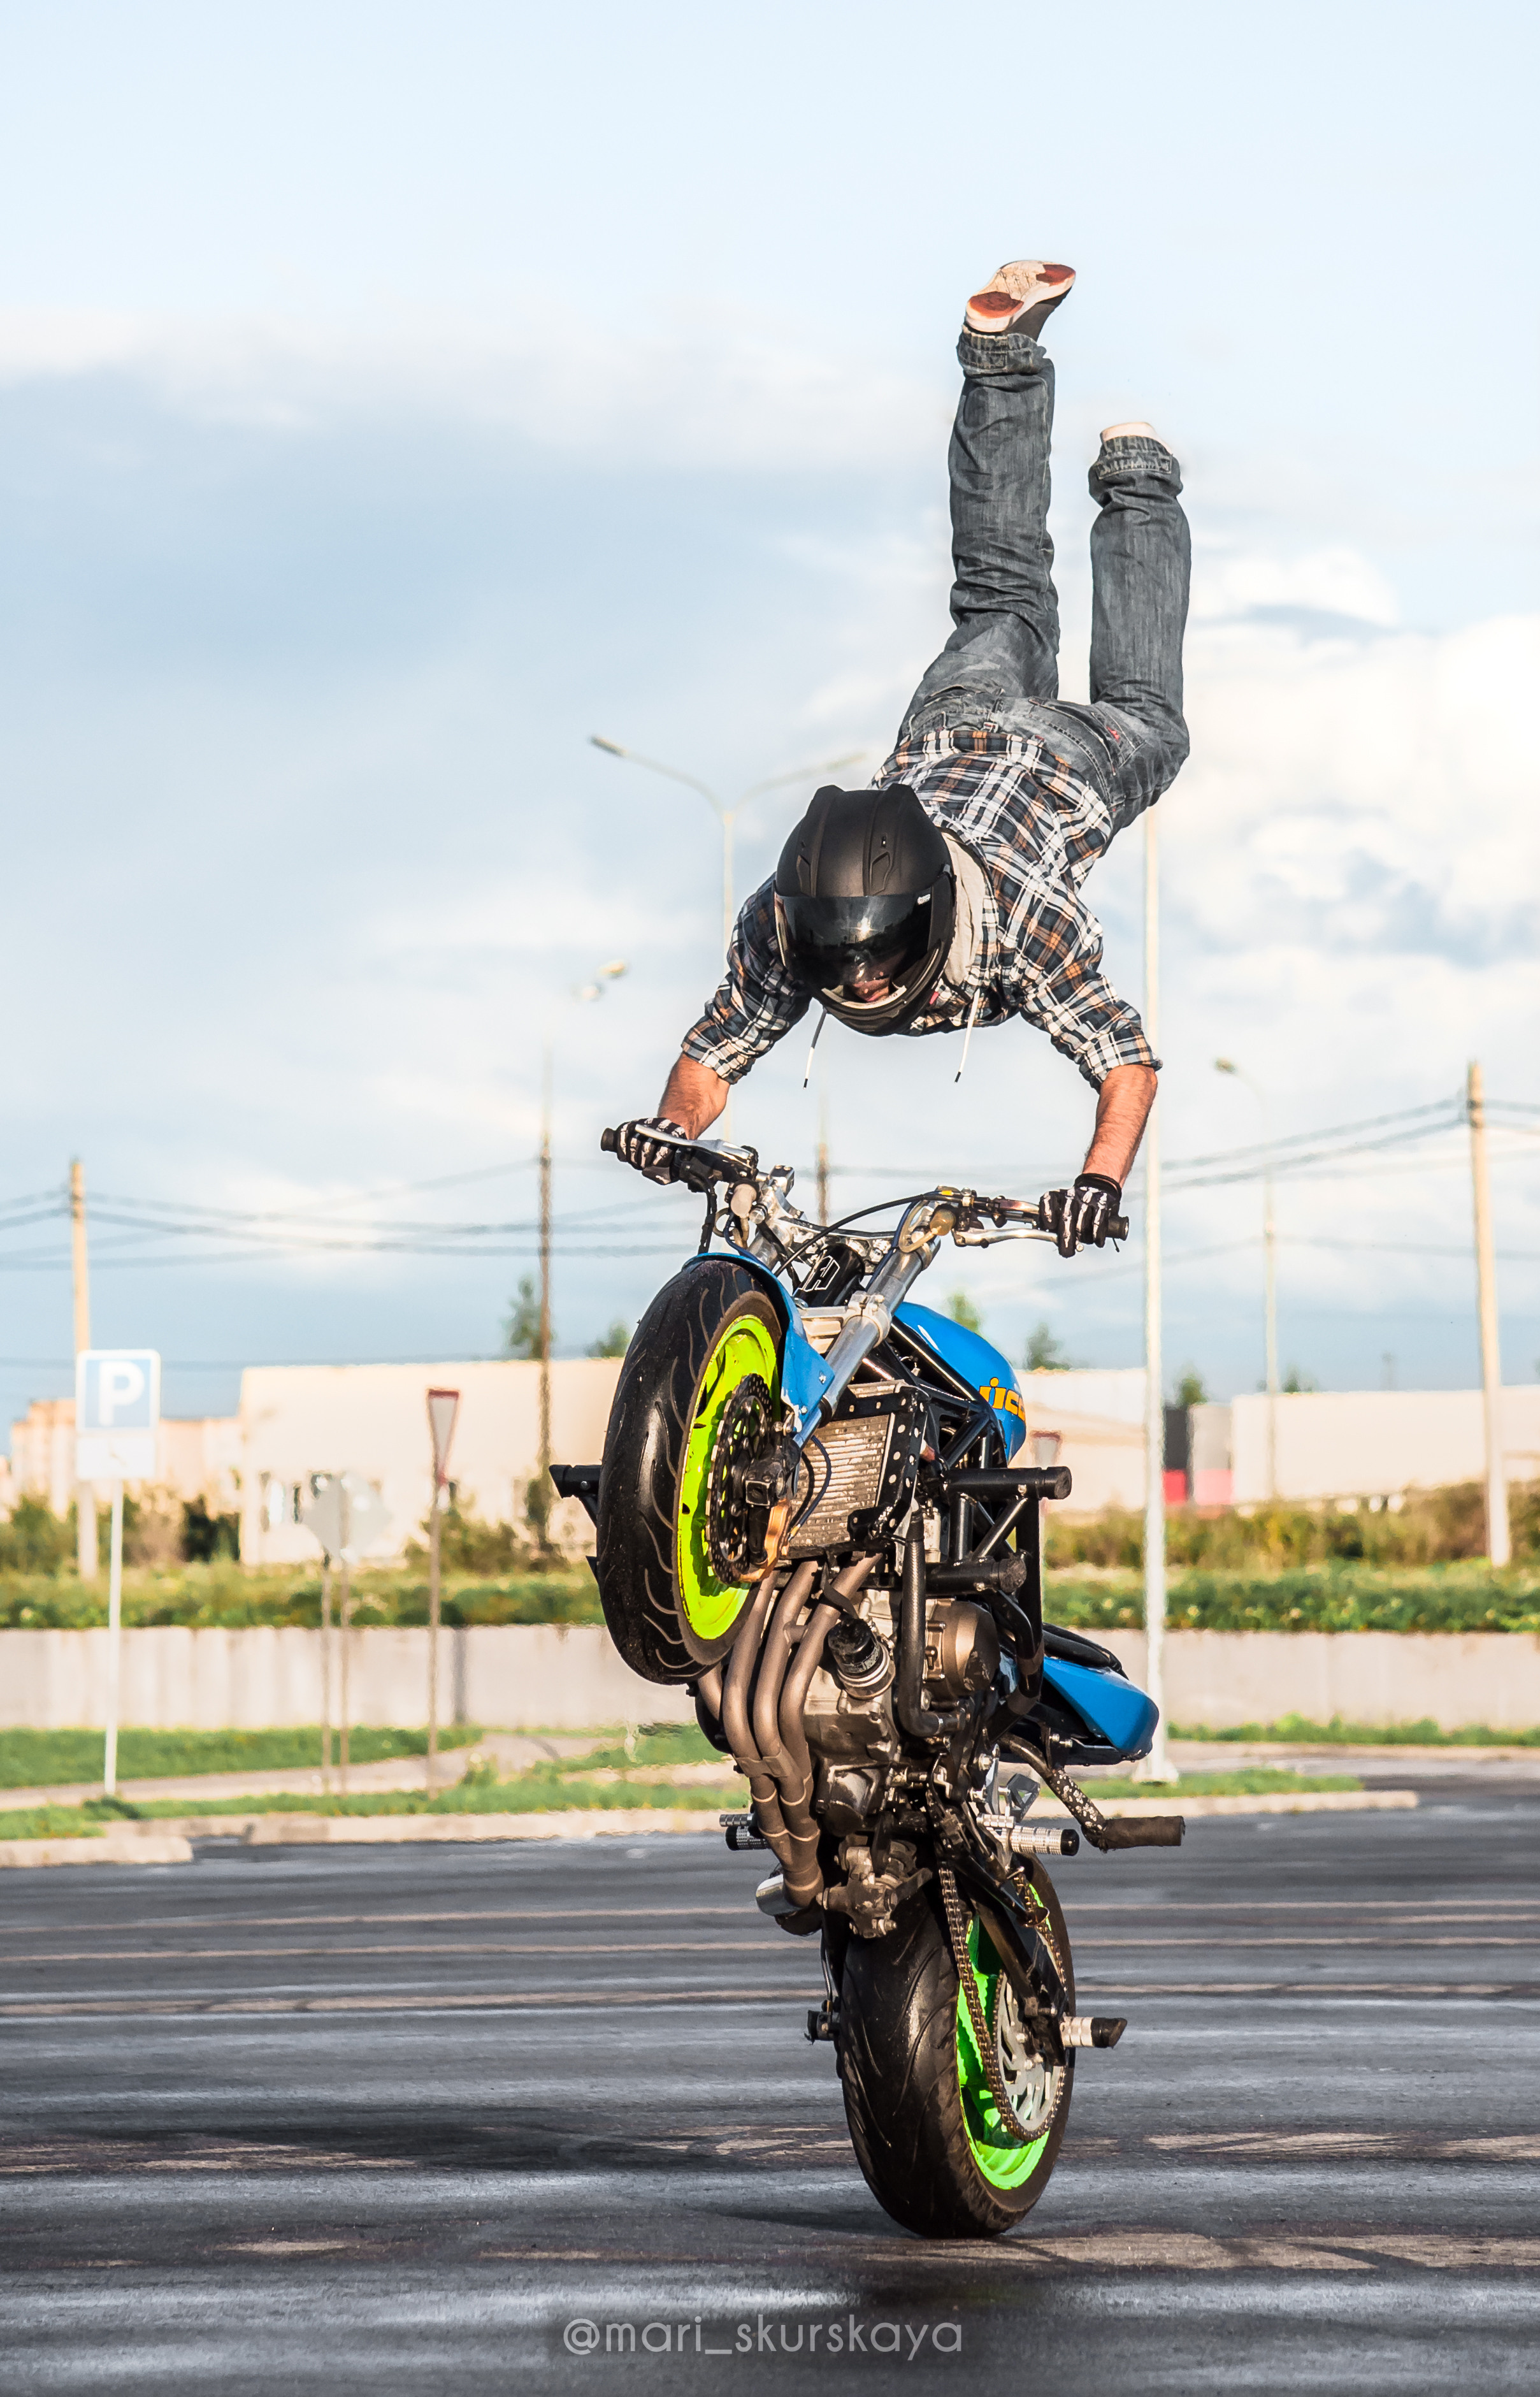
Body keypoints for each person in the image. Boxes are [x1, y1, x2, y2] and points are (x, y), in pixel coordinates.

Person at [610, 258, 1191, 1256]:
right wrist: (670, 1131)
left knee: (1141, 711)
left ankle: (1137, 480)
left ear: (930, 914)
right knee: (1002, 594)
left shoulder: (1017, 922)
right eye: (848, 961)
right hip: (940, 733)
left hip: (1052, 759)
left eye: (878, 961)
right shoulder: (787, 921)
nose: (865, 983)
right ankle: (1000, 351)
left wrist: (1097, 1180)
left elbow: (1125, 1058)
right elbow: (715, 1052)